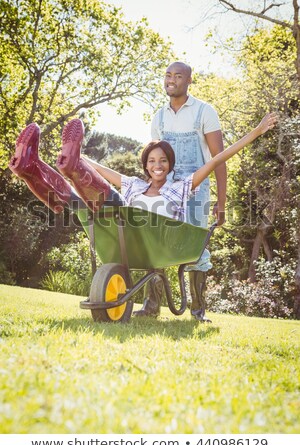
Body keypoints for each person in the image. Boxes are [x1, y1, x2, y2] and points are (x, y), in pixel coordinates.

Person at [9, 114, 277, 316]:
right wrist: (79, 159)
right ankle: (31, 168)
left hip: (151, 241)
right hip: (119, 236)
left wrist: (256, 131)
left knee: (96, 201)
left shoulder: (180, 188)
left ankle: (66, 166)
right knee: (80, 202)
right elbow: (101, 172)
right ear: (145, 166)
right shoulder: (134, 185)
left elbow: (217, 160)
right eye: (151, 161)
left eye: (162, 161)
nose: (157, 165)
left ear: (170, 165)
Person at [134, 61, 227, 320]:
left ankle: (198, 311)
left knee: (196, 246)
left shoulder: (204, 112)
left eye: (177, 76)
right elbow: (154, 162)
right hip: (167, 191)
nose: (171, 80)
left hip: (197, 193)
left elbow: (219, 159)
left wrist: (221, 202)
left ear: (189, 81)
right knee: (155, 242)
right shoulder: (159, 117)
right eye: (167, 75)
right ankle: (151, 306)